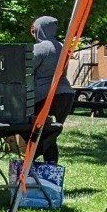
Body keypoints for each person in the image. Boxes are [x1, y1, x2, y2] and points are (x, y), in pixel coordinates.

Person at [29, 15, 74, 163]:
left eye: (34, 29)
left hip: (45, 96)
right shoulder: (63, 47)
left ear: (40, 29)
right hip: (66, 94)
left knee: (34, 131)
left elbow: (27, 70)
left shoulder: (40, 47)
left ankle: (30, 164)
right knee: (51, 134)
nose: (33, 33)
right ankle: (50, 166)